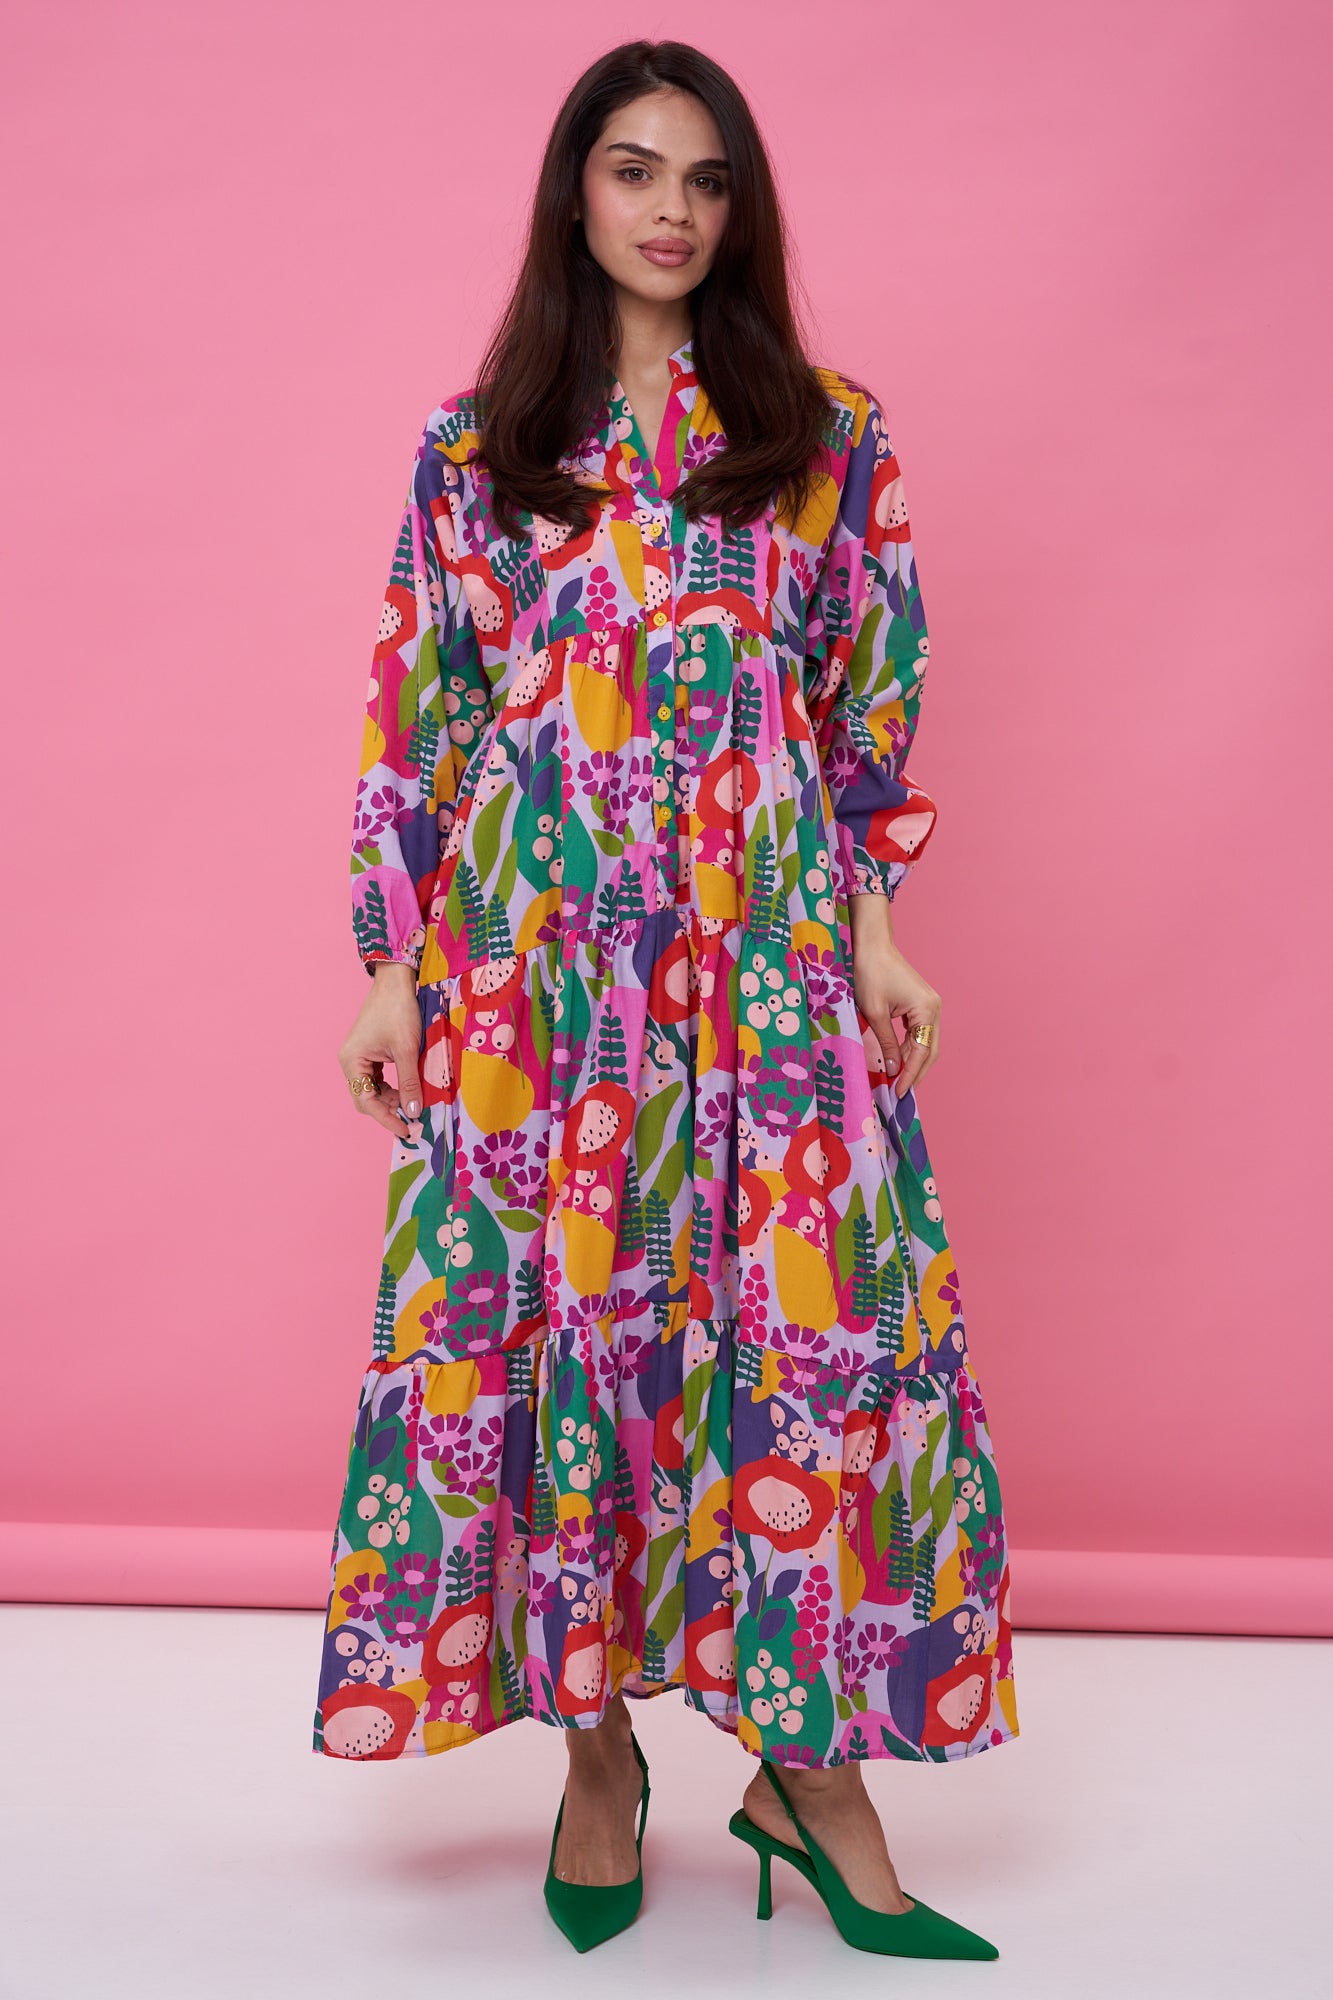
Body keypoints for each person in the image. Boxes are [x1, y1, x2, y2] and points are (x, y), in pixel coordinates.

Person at [314, 36, 1019, 1960]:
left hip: (765, 956)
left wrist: (875, 930)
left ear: (739, 210)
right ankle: (600, 1753)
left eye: (705, 181)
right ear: (575, 196)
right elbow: (421, 724)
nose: (671, 211)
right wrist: (391, 965)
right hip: (536, 976)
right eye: (633, 173)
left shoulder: (824, 433)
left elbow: (865, 710)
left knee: (798, 1331)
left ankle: (809, 1773)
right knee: (567, 1331)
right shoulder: (482, 449)